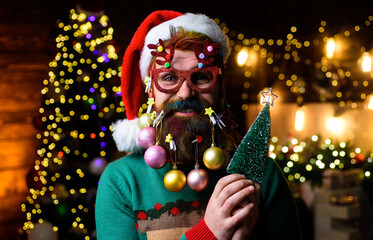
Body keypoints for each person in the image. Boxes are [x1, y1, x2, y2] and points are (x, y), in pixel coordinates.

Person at [95, 10, 302, 240]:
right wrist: (209, 233)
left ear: (220, 88)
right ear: (150, 90)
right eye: (169, 78)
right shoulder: (122, 181)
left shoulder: (262, 175)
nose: (185, 92)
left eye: (202, 76)